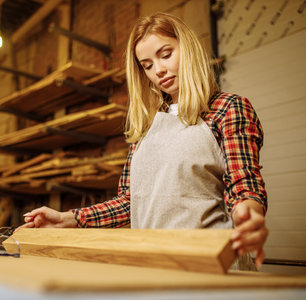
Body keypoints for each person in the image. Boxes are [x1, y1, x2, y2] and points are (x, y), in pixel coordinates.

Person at [18, 12, 268, 270]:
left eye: (166, 54)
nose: (159, 70)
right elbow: (131, 201)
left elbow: (243, 185)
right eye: (147, 65)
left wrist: (248, 216)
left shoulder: (229, 108)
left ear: (188, 47)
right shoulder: (149, 127)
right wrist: (67, 219)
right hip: (151, 262)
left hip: (212, 262)